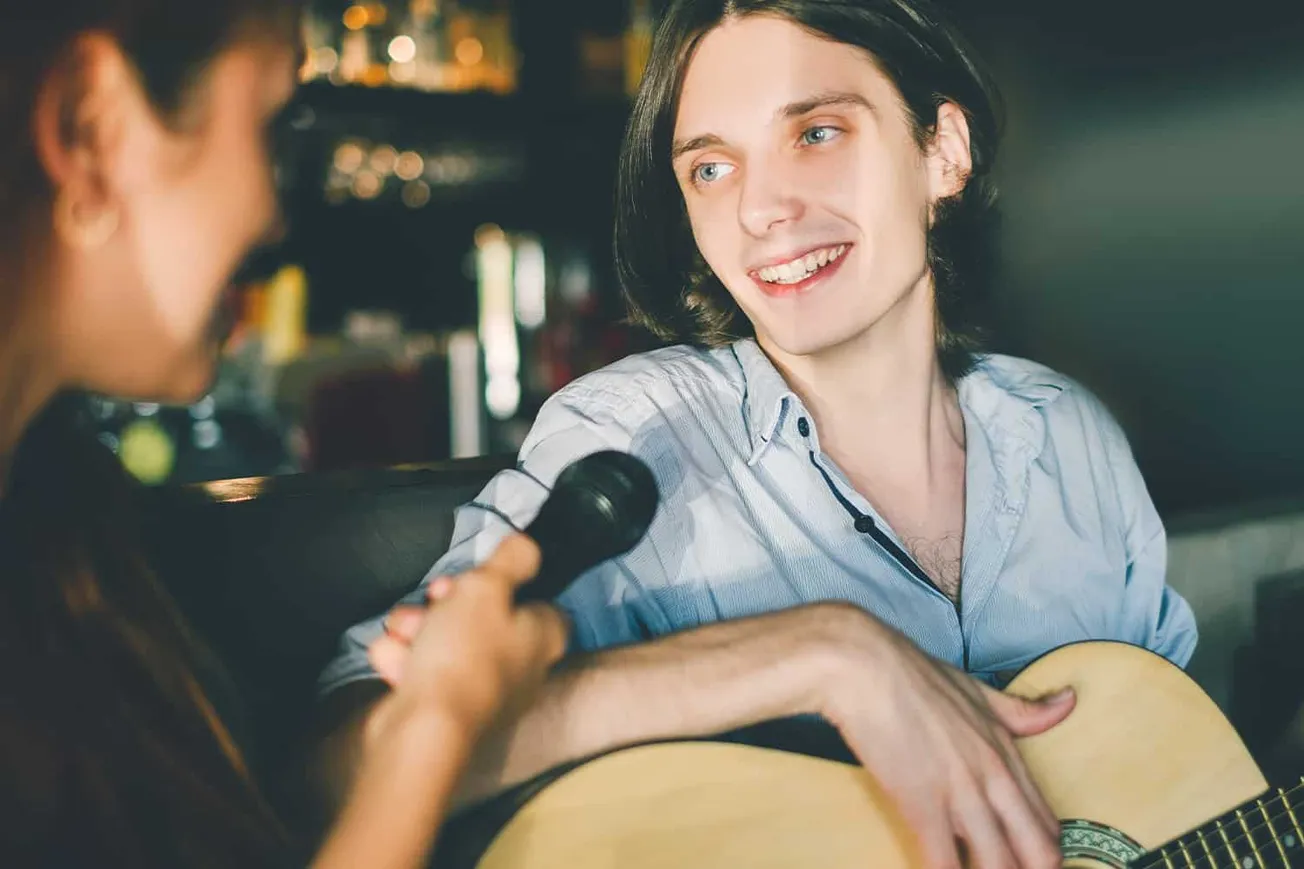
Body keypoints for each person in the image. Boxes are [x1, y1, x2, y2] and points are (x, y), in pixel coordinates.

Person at [316, 1, 1198, 867]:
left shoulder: (1072, 438)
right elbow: (330, 771)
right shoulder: (633, 440)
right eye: (711, 169)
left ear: (943, 152)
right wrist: (814, 651)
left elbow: (1176, 783)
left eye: (816, 132)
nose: (761, 208)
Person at [0, 1, 566, 866]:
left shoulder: (59, 521)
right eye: (271, 125)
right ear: (91, 128)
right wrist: (435, 722)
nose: (275, 214)